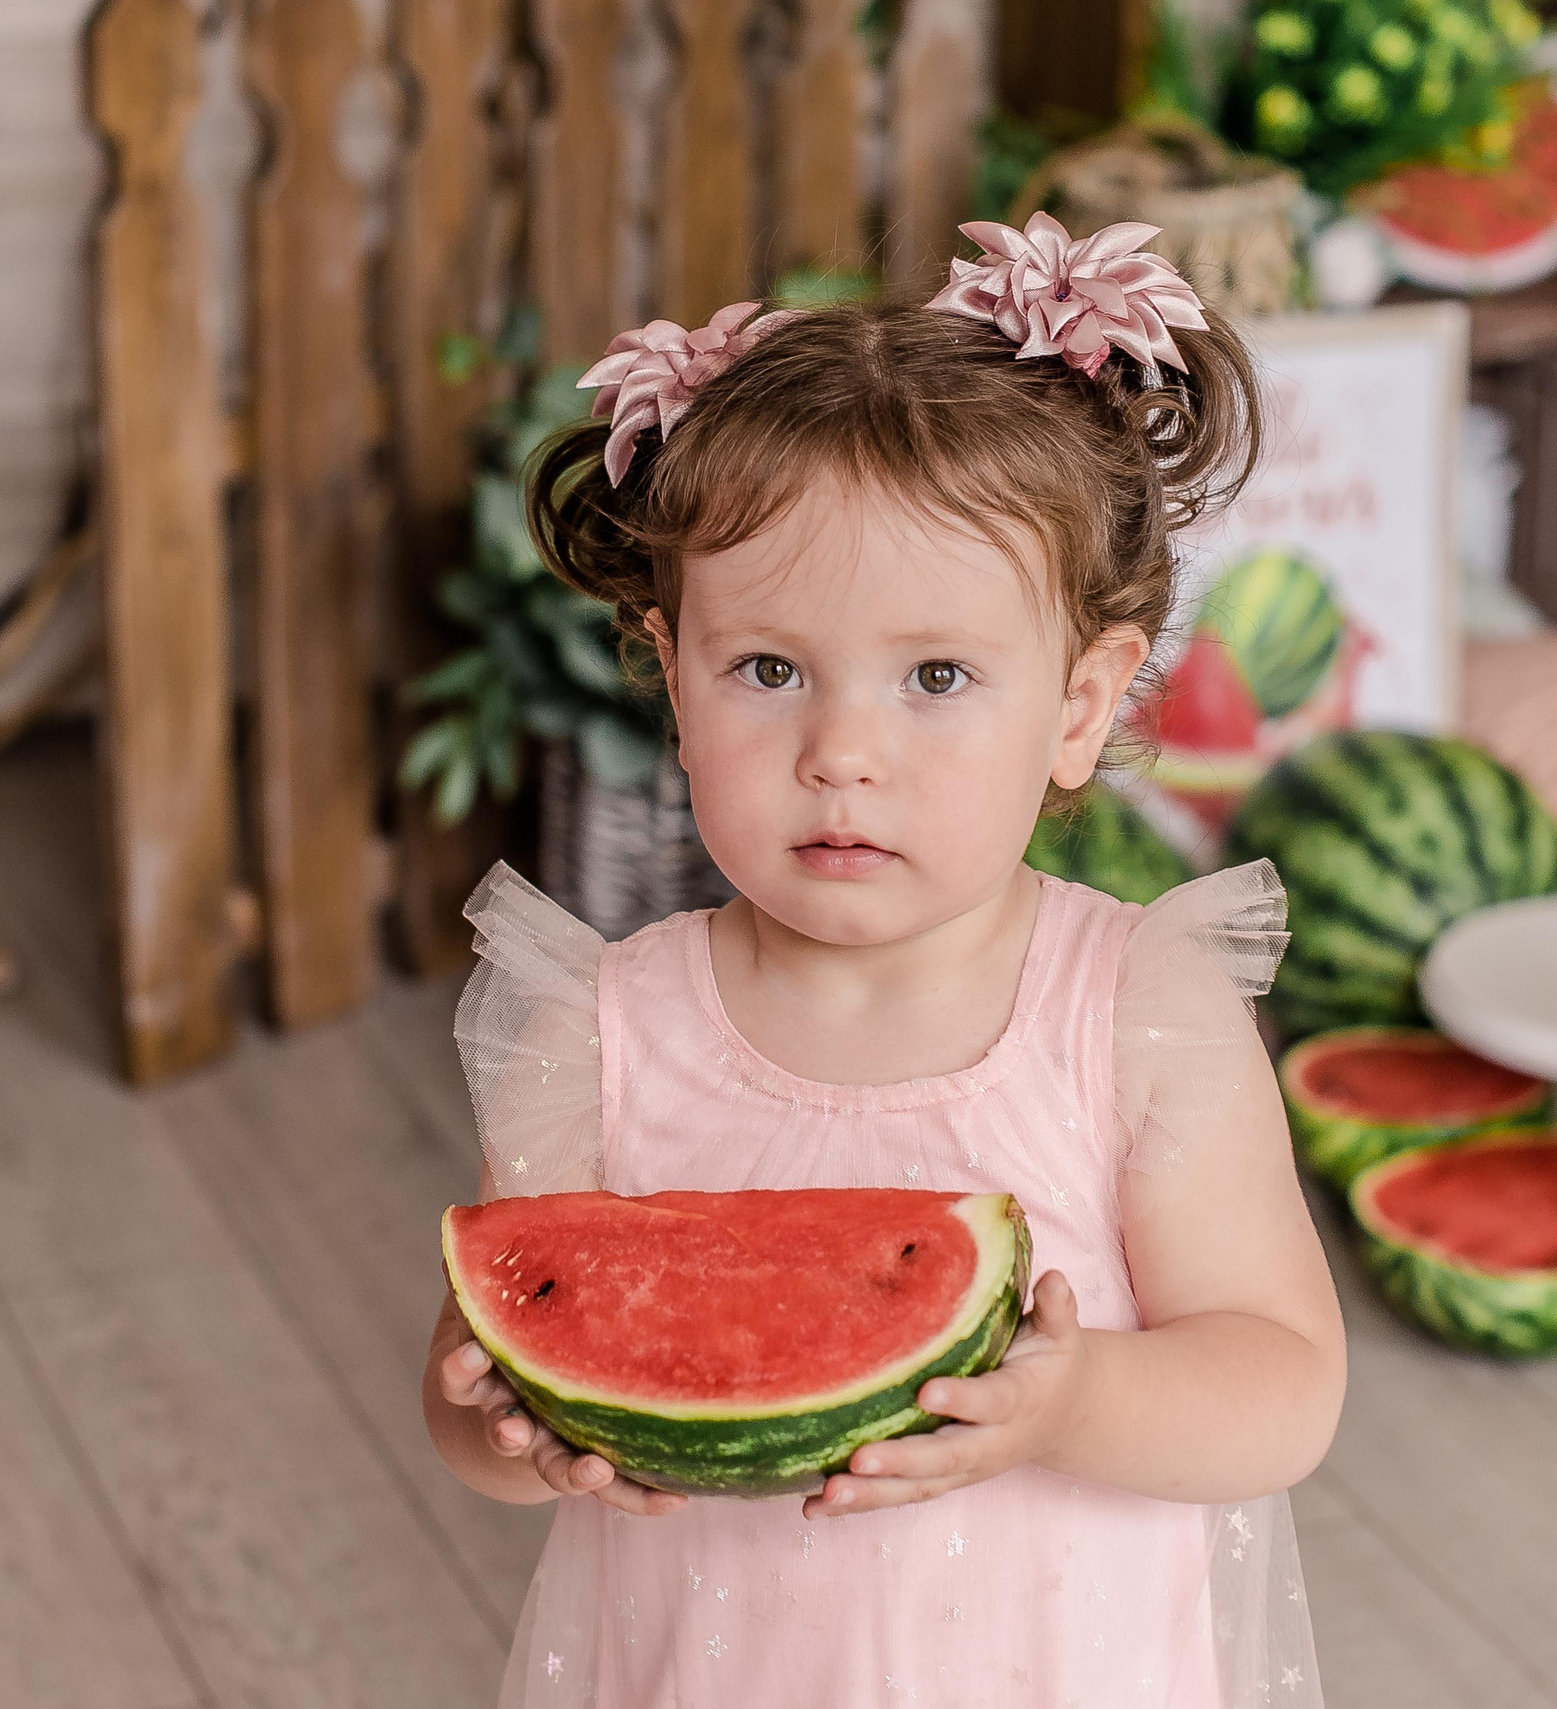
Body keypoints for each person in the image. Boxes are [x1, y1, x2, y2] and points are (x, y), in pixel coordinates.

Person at [421, 213, 1346, 1708]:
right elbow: (491, 1406)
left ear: (1081, 704)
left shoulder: (1134, 1015)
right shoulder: (592, 1027)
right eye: (767, 669)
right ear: (670, 675)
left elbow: (1287, 1386)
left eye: (936, 677)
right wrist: (501, 1424)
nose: (842, 754)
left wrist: (1075, 1399)